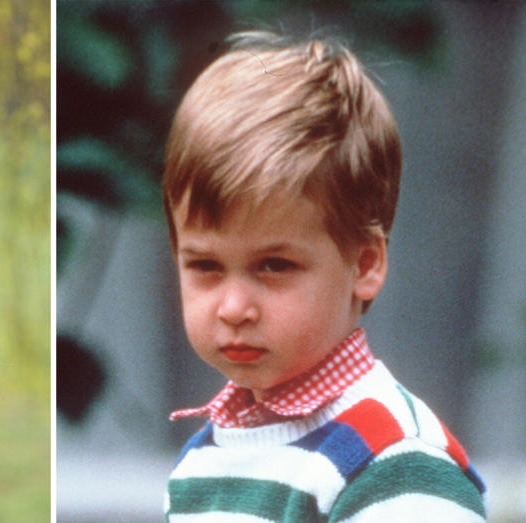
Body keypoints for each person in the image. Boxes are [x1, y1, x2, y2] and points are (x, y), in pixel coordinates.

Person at [162, 31, 486, 521]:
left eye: (274, 265)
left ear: (365, 264)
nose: (233, 308)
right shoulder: (205, 461)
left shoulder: (394, 461)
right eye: (205, 266)